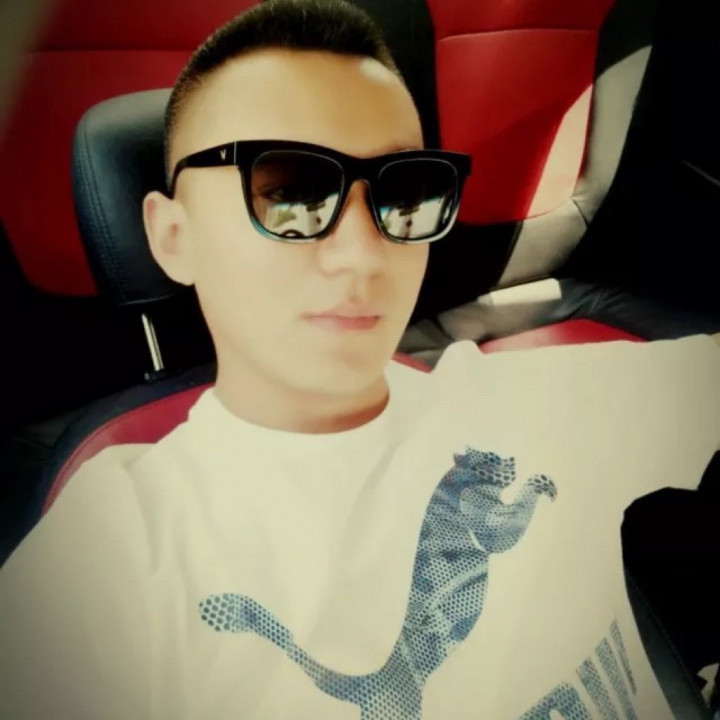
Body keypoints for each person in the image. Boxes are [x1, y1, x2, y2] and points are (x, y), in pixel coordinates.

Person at [1, 1, 719, 717]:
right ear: (173, 237)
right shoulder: (113, 553)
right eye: (289, 195)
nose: (363, 254)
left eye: (405, 196)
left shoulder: (544, 395)